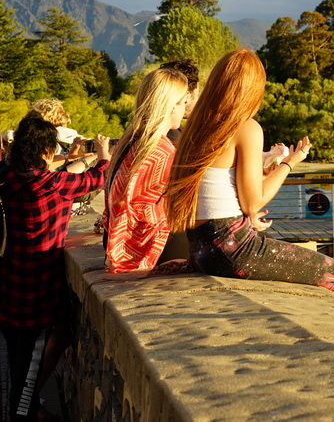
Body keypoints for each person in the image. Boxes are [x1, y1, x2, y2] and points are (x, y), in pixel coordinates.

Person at [166, 48, 334, 297]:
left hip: (201, 249)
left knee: (322, 277)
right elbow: (253, 203)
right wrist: (289, 164)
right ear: (252, 89)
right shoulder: (245, 127)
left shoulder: (194, 128)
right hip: (232, 248)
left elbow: (218, 189)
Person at [0, 112, 110, 421]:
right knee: (28, 367)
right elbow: (101, 178)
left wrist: (77, 159)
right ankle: (24, 413)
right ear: (48, 152)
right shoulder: (55, 184)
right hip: (39, 289)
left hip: (10, 286)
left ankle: (28, 408)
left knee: (17, 362)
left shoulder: (6, 177)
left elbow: (65, 170)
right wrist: (102, 157)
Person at [100, 68, 188, 273]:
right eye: (183, 103)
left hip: (117, 241)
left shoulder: (129, 142)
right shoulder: (161, 150)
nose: (185, 111)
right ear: (172, 106)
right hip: (145, 247)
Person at [159, 60, 200, 145]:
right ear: (187, 96)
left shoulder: (135, 133)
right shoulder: (175, 140)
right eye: (197, 94)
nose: (198, 100)